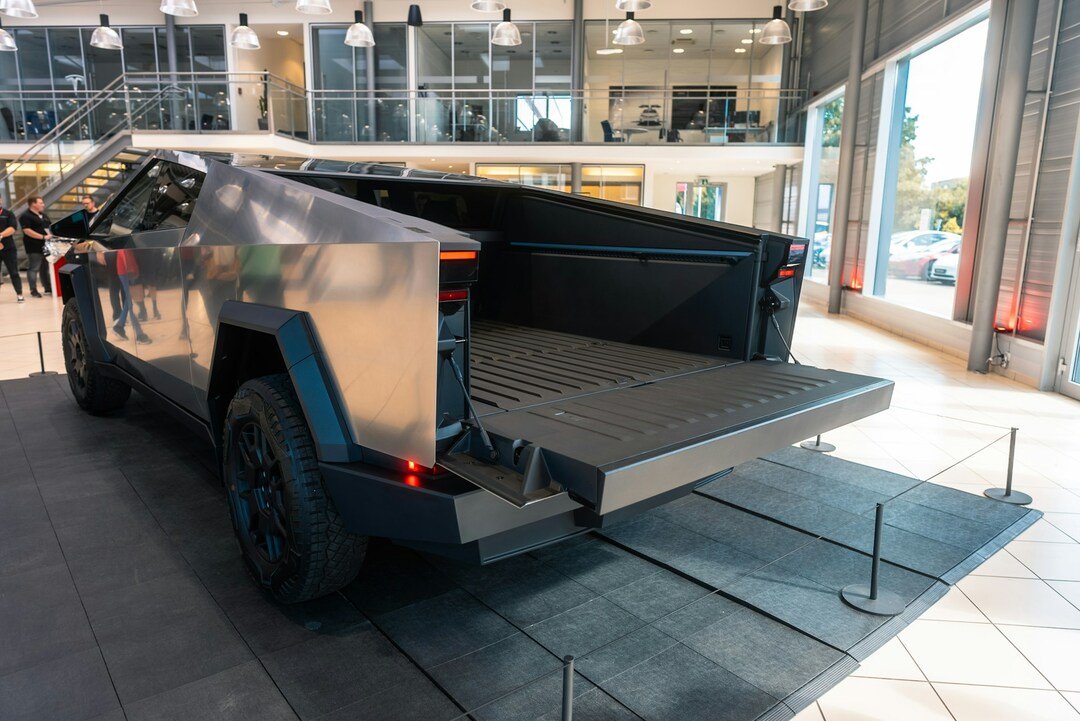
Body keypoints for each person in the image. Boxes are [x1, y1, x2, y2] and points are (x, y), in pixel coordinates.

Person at [19, 196, 52, 298]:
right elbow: (27, 231)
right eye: (40, 203)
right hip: (33, 246)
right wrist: (43, 237)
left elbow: (49, 227)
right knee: (34, 268)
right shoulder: (25, 216)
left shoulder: (44, 216)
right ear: (33, 204)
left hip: (46, 246)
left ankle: (48, 288)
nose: (43, 205)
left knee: (45, 268)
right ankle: (33, 290)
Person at [0, 200, 22, 302]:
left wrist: (0, 235)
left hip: (8, 248)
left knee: (14, 272)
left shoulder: (8, 214)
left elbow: (12, 228)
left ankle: (19, 294)